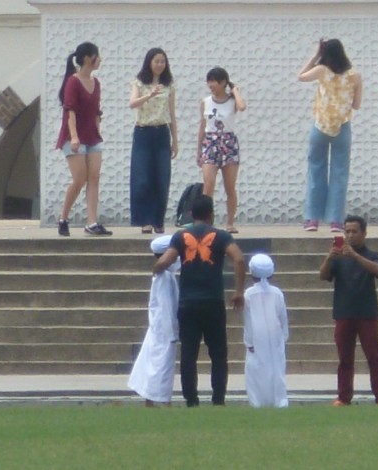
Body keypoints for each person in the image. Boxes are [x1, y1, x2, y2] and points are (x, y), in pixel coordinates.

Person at [153, 195, 246, 407]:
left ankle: (191, 400)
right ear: (211, 214)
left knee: (188, 354)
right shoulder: (221, 236)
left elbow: (166, 261)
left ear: (191, 215)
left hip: (188, 303)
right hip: (213, 301)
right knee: (218, 353)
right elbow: (239, 259)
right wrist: (238, 291)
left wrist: (156, 268)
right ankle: (218, 399)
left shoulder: (181, 236)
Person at [319, 215, 378, 406]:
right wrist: (329, 257)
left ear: (364, 234)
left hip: (367, 313)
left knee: (373, 357)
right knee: (345, 359)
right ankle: (343, 396)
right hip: (344, 313)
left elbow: (377, 270)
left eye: (354, 231)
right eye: (347, 231)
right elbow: (323, 275)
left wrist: (355, 256)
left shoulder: (372, 255)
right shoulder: (338, 258)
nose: (350, 235)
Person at [298, 39, 362, 233]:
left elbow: (300, 76)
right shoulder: (355, 76)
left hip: (320, 126)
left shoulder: (322, 70)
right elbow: (356, 105)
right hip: (342, 127)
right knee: (340, 172)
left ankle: (312, 219)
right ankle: (336, 220)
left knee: (316, 169)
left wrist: (316, 55)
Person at [55, 41, 112, 237]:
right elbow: (70, 110)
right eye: (97, 55)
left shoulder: (96, 83)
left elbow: (96, 111)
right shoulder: (73, 81)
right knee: (79, 179)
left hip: (92, 137)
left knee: (94, 177)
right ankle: (63, 217)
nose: (100, 60)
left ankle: (92, 222)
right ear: (88, 58)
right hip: (74, 136)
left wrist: (97, 131)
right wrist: (74, 137)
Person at [129, 47, 179, 234]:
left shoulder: (169, 84)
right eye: (156, 61)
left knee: (161, 177)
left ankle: (158, 220)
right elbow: (132, 103)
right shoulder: (139, 82)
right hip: (143, 132)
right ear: (149, 62)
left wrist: (175, 140)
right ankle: (145, 220)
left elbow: (172, 113)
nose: (159, 65)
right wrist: (149, 95)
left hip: (162, 132)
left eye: (163, 61)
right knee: (142, 177)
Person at [128, 235, 180, 407]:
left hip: (159, 328)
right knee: (162, 367)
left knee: (153, 364)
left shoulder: (165, 275)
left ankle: (151, 401)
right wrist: (172, 333)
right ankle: (164, 402)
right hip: (164, 330)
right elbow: (165, 307)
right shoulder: (165, 277)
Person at [196, 67, 247, 234]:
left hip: (228, 142)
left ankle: (230, 223)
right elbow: (202, 127)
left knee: (229, 186)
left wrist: (235, 91)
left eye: (214, 81)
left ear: (223, 82)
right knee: (208, 183)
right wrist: (199, 150)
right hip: (210, 142)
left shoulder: (232, 101)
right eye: (209, 81)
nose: (211, 85)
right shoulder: (205, 101)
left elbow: (242, 106)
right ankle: (205, 221)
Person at [243, 253, 289, 408]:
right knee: (276, 369)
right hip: (275, 338)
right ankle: (279, 401)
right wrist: (284, 337)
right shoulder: (277, 293)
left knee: (256, 371)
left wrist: (248, 341)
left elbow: (248, 320)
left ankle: (257, 402)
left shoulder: (249, 294)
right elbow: (283, 317)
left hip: (256, 338)